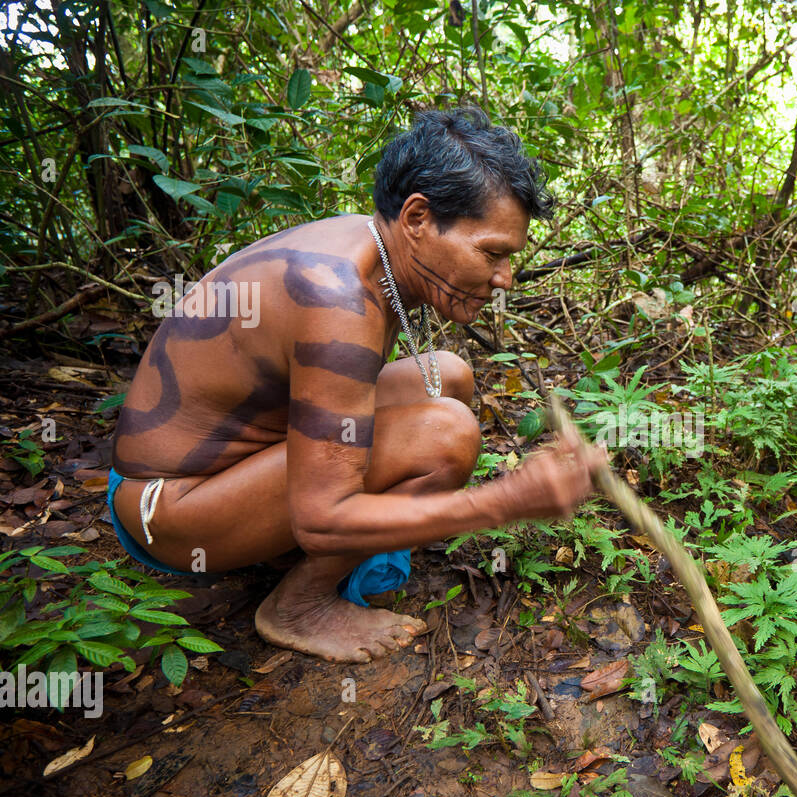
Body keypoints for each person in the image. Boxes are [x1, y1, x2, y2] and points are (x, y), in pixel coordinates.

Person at [108, 106, 605, 662]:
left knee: (450, 375)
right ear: (417, 217)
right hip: (167, 509)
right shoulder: (339, 298)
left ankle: (292, 550)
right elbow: (322, 520)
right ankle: (297, 606)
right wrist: (507, 501)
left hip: (242, 462)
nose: (504, 278)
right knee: (446, 436)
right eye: (491, 253)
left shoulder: (371, 246)